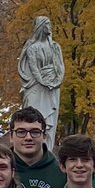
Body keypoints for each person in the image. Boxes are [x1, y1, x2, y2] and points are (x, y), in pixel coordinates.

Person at [18, 16, 65, 147]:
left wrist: (56, 82)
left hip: (52, 86)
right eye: (48, 25)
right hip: (37, 86)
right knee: (33, 118)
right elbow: (34, 68)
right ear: (41, 27)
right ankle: (32, 150)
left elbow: (60, 66)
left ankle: (47, 150)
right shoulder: (32, 48)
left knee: (49, 123)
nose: (50, 28)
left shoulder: (55, 47)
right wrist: (44, 83)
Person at [10, 106, 66, 188]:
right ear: (11, 136)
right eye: (21, 132)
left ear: (44, 136)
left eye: (35, 132)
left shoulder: (62, 172)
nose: (28, 138)